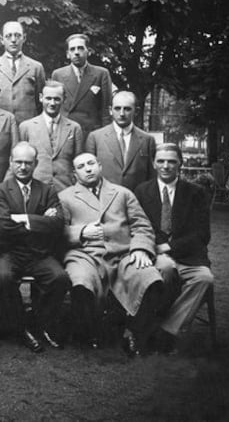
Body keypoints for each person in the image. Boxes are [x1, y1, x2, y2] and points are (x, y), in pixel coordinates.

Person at [59, 152, 164, 356]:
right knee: (81, 281)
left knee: (150, 277)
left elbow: (142, 225)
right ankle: (91, 333)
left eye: (91, 163)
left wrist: (141, 247)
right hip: (84, 255)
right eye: (81, 166)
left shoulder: (122, 193)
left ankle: (134, 332)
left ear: (100, 166)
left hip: (123, 254)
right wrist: (80, 232)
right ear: (74, 174)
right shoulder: (65, 196)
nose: (88, 169)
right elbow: (57, 231)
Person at [0, 142, 69, 353]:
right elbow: (4, 228)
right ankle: (21, 328)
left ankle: (40, 321)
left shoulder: (47, 190)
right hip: (8, 251)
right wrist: (41, 222)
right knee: (2, 277)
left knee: (59, 278)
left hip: (38, 253)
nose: (23, 167)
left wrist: (24, 219)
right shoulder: (0, 190)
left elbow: (58, 224)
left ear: (35, 164)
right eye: (18, 162)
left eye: (28, 163)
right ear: (11, 162)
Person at [135, 143, 213, 353]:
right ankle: (149, 325)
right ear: (153, 163)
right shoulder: (142, 191)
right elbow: (140, 226)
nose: (166, 166)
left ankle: (167, 330)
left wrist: (169, 247)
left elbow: (202, 234)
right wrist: (156, 248)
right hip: (156, 253)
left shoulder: (195, 193)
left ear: (181, 163)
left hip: (189, 255)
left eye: (171, 161)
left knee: (204, 278)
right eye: (161, 161)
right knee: (166, 271)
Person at [19, 80, 83, 192]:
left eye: (57, 99)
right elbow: (19, 161)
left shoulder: (74, 127)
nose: (52, 103)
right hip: (36, 189)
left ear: (64, 99)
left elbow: (79, 162)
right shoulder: (26, 127)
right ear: (40, 98)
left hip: (66, 189)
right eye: (48, 98)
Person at [84, 91, 156, 191]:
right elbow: (88, 173)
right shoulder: (96, 137)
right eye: (117, 108)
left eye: (127, 109)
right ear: (110, 110)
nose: (122, 114)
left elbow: (151, 176)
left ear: (136, 111)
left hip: (136, 200)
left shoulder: (147, 140)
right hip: (104, 200)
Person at [51, 33, 113, 138]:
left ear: (88, 51)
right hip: (66, 132)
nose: (76, 52)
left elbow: (106, 110)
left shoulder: (101, 74)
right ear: (67, 54)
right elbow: (53, 108)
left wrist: (106, 136)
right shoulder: (58, 75)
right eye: (72, 49)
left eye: (80, 48)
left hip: (92, 132)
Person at [0, 20, 45, 124]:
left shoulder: (36, 67)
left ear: (24, 38)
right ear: (2, 40)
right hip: (0, 126)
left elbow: (41, 102)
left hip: (28, 126)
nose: (13, 40)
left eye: (17, 35)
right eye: (8, 36)